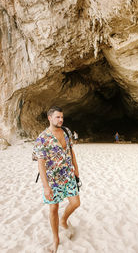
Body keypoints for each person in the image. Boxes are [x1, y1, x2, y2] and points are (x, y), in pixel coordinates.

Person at [33, 106, 80, 253]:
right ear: (49, 118)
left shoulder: (66, 131)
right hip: (52, 179)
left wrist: (76, 170)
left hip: (68, 175)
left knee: (76, 203)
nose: (60, 119)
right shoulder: (42, 138)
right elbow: (41, 164)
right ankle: (56, 240)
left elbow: (71, 151)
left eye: (62, 117)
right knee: (53, 208)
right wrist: (46, 187)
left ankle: (64, 220)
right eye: (57, 117)